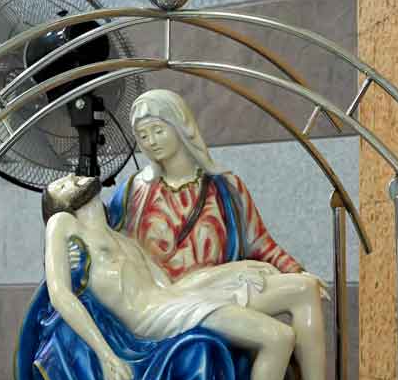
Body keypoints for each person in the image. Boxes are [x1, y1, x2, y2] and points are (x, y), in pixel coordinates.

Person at [37, 174, 347, 380]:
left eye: (69, 177)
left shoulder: (123, 240)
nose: (71, 178)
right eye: (61, 186)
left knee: (303, 288)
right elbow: (60, 295)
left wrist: (232, 271)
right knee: (278, 337)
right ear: (59, 207)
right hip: (153, 317)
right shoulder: (63, 225)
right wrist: (108, 358)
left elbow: (172, 286)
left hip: (175, 300)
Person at [107, 89, 304, 280]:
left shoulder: (226, 189)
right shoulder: (134, 191)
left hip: (218, 293)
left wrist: (297, 273)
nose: (151, 141)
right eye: (143, 136)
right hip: (158, 298)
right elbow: (108, 246)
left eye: (158, 131)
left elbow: (260, 244)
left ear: (181, 126)